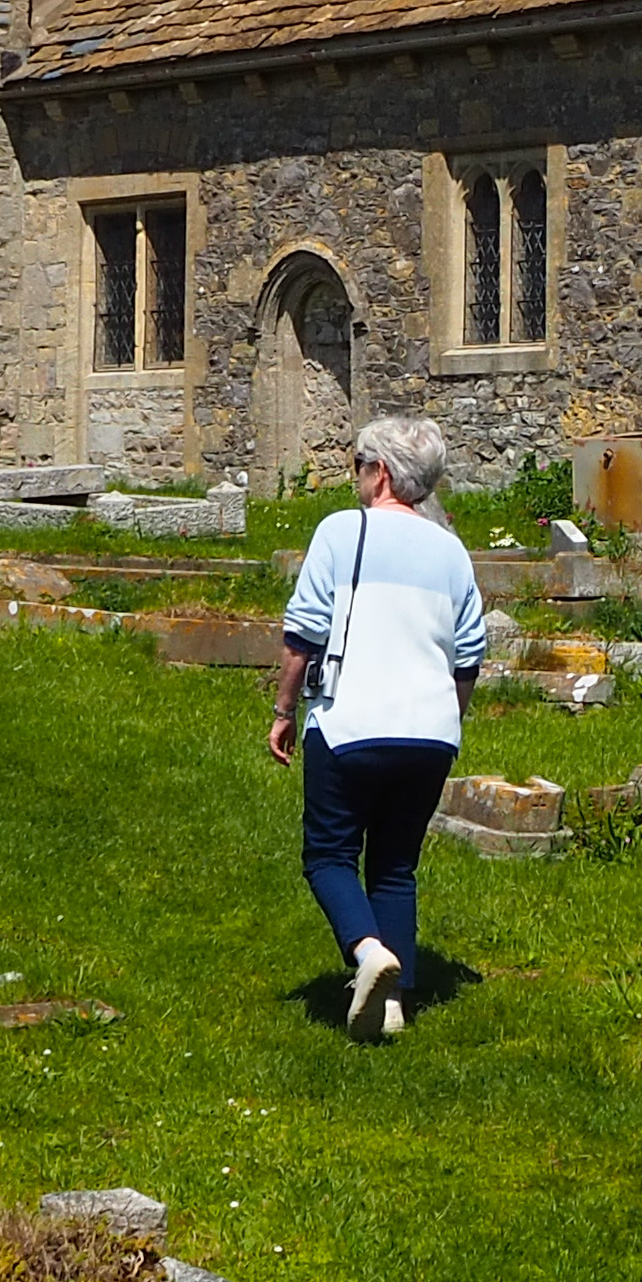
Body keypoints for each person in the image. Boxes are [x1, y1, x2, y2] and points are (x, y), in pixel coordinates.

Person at [270, 413, 492, 1040]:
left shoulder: (342, 532)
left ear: (383, 472)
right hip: (430, 733)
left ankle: (369, 954)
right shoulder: (451, 549)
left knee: (329, 855)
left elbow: (303, 633)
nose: (358, 478)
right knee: (395, 865)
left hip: (351, 723)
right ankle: (394, 1006)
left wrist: (285, 710)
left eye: (361, 466)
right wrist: (448, 718)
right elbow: (469, 655)